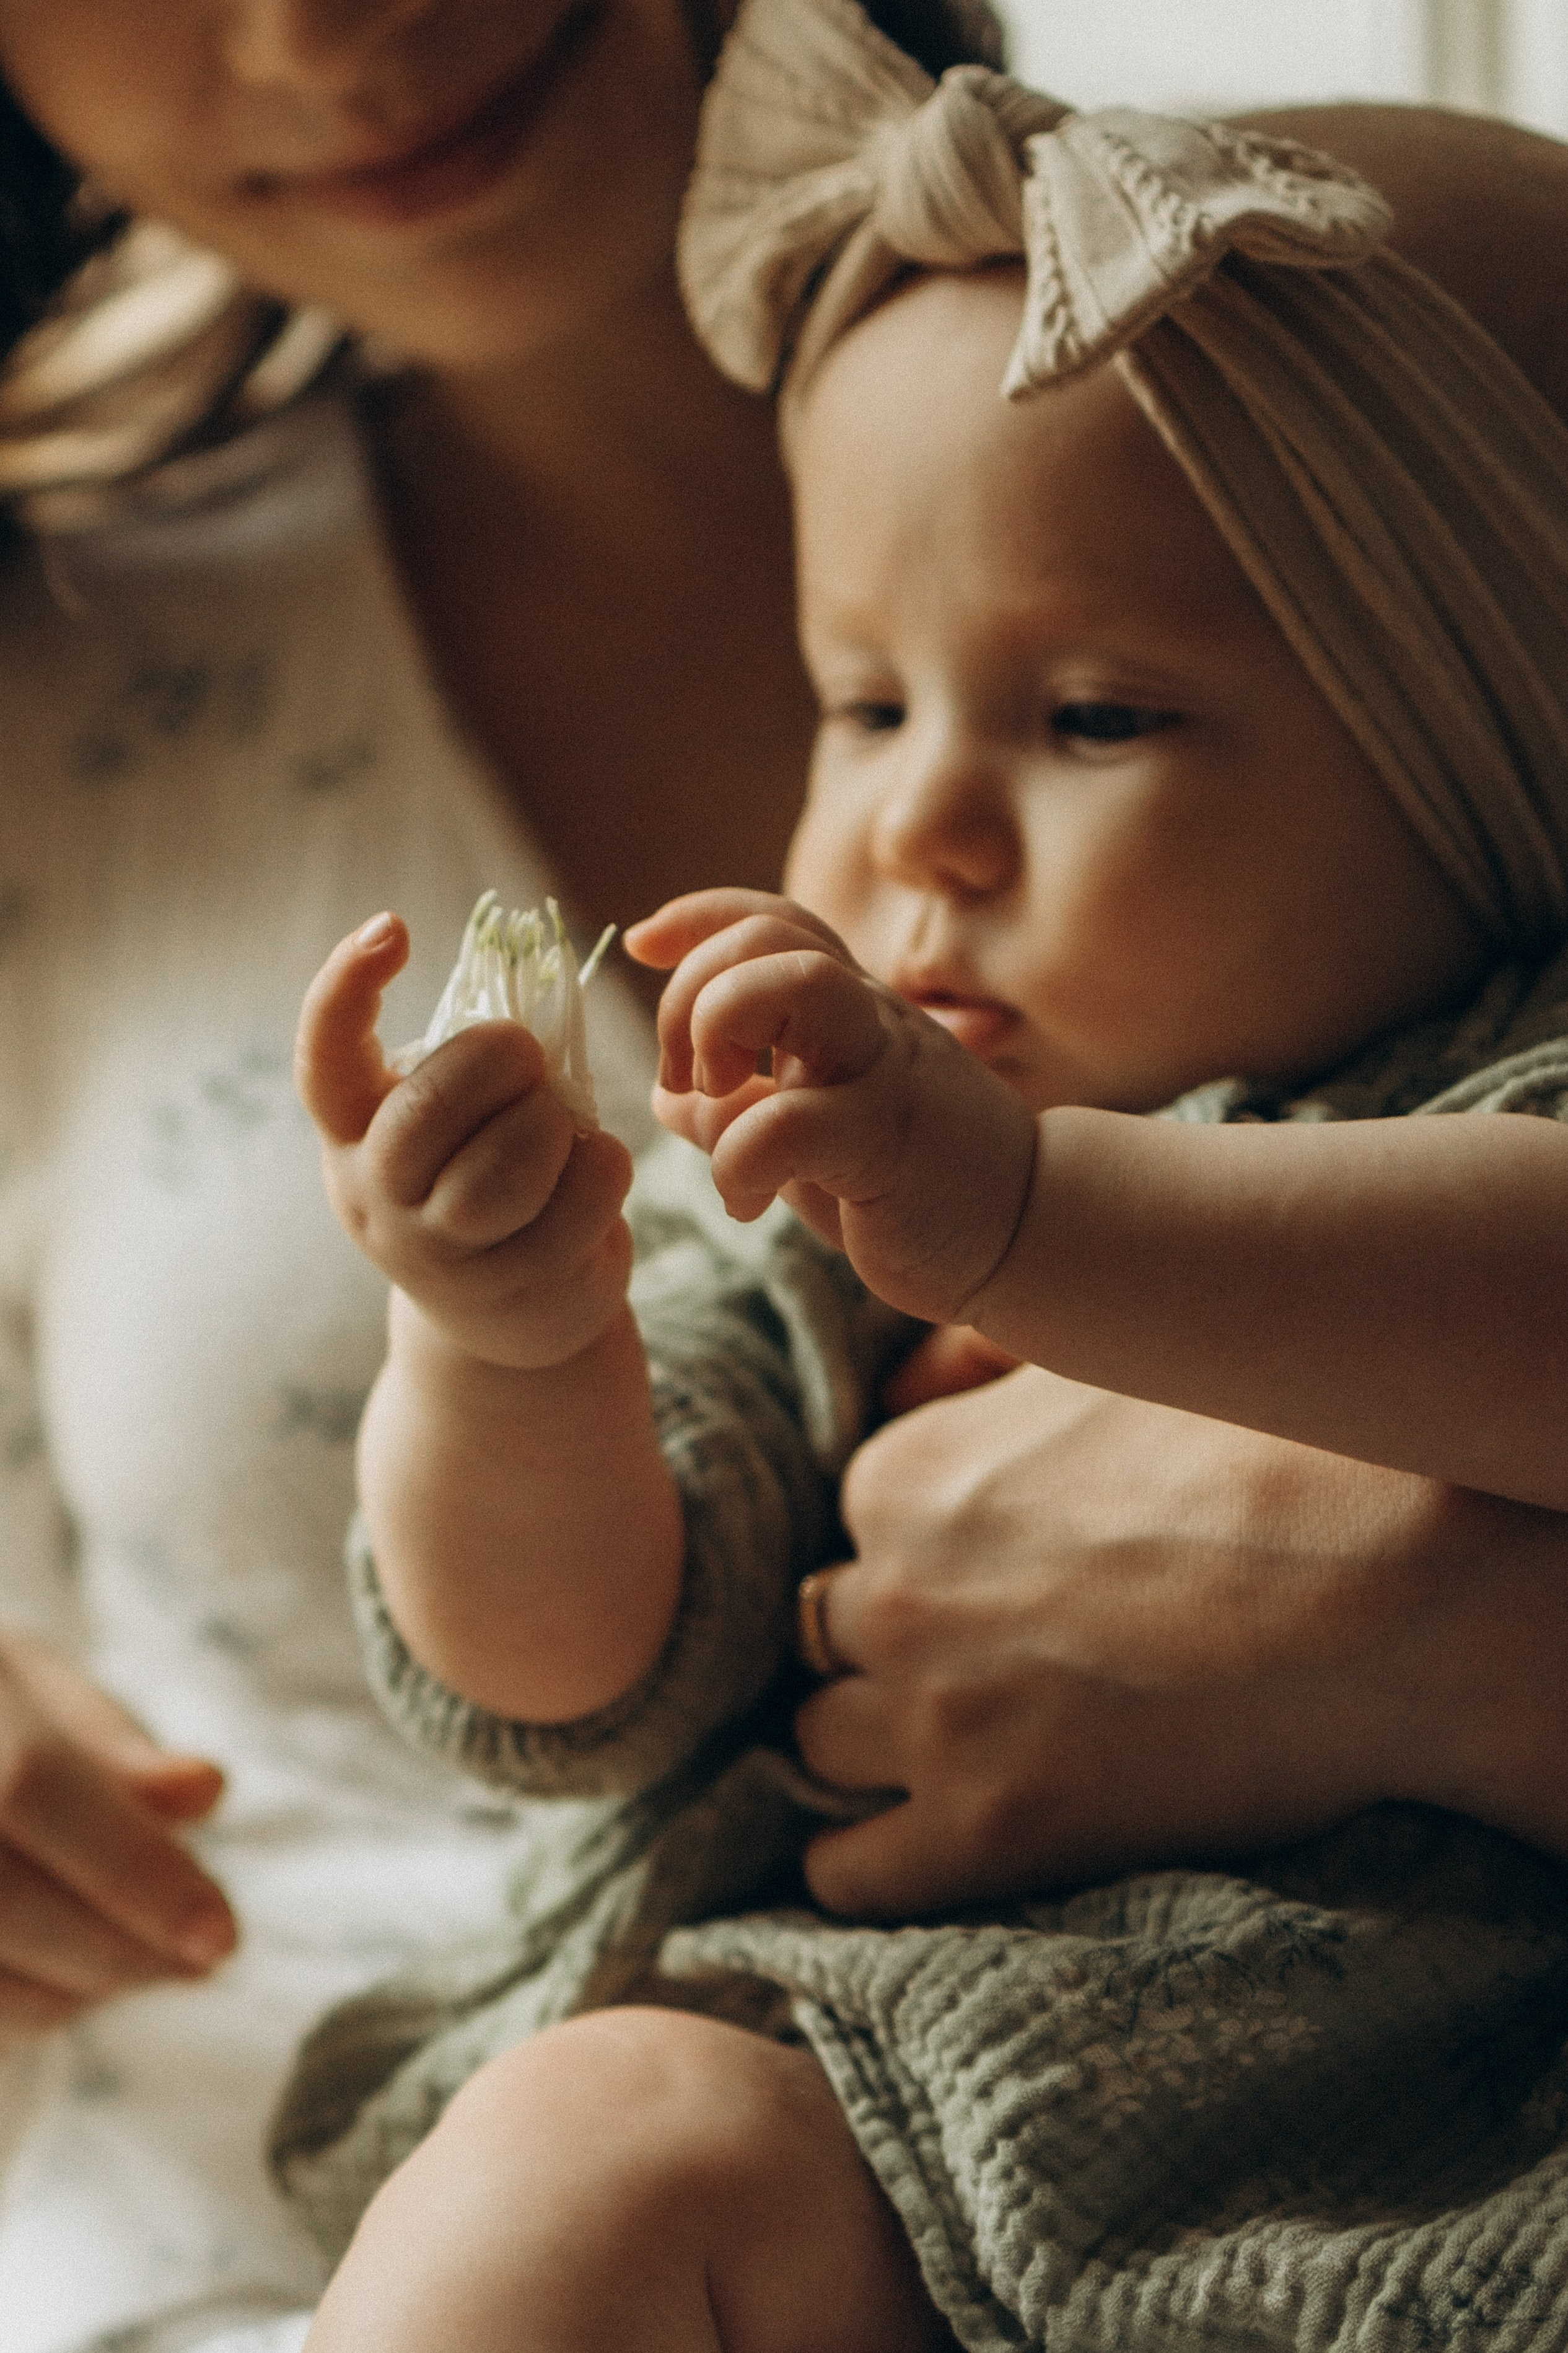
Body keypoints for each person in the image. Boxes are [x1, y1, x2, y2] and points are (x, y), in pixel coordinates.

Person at [1, 1, 1568, 2347]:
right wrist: (510, 1342)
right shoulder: (797, 1232)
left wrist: (1033, 1221)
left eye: (1097, 716)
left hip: (1442, 2203)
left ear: (1494, 745)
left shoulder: (1470, 1093)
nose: (914, 829)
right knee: (578, 2161)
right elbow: (556, 1671)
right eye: (857, 703)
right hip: (862, 2162)